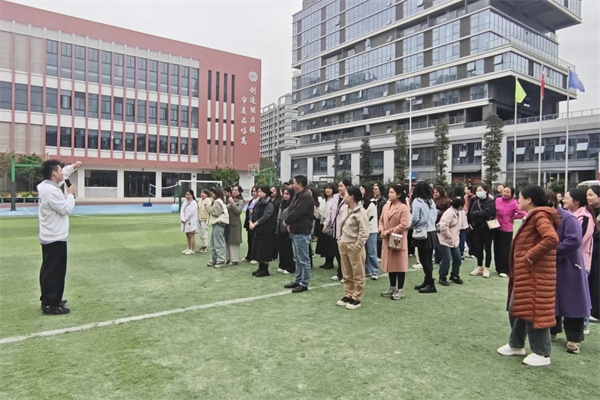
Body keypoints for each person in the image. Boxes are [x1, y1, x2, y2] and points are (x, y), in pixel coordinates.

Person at [497, 185, 560, 367]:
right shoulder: (533, 216)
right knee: (519, 307)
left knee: (535, 312)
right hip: (527, 274)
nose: (518, 200)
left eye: (520, 197)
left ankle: (542, 353)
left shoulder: (540, 216)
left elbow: (551, 238)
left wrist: (529, 257)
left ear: (529, 200)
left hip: (536, 274)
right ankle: (516, 344)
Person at [546, 190, 591, 354]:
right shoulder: (544, 218)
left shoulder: (568, 218)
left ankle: (574, 339)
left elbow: (573, 240)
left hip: (569, 266)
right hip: (550, 267)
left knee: (573, 303)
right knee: (551, 301)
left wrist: (550, 251)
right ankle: (552, 331)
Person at [37, 159, 81, 315]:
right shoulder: (51, 191)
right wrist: (70, 195)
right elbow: (65, 209)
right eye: (60, 170)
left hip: (51, 235)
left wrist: (73, 167)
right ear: (54, 173)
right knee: (55, 271)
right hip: (54, 236)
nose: (63, 172)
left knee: (50, 269)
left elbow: (64, 175)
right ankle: (50, 304)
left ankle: (51, 298)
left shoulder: (47, 186)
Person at [336, 186, 370, 310]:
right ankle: (348, 294)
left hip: (354, 245)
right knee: (346, 272)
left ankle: (357, 297)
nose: (343, 197)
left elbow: (364, 231)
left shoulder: (361, 212)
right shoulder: (344, 209)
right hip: (344, 244)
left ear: (352, 197)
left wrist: (358, 245)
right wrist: (339, 239)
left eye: (345, 195)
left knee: (358, 273)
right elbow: (340, 226)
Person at [283, 175, 314, 293]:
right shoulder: (298, 195)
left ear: (299, 184)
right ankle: (298, 280)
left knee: (303, 259)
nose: (293, 185)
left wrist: (287, 221)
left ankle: (304, 283)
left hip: (302, 230)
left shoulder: (306, 197)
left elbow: (298, 212)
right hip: (295, 230)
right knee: (297, 258)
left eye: (294, 183)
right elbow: (291, 209)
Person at [379, 185, 411, 300]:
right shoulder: (386, 206)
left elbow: (404, 224)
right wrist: (381, 230)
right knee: (390, 264)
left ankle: (400, 289)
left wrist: (389, 231)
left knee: (399, 265)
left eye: (392, 192)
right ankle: (392, 287)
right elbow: (381, 220)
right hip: (387, 239)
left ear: (398, 195)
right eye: (389, 192)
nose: (389, 194)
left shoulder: (403, 208)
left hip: (398, 239)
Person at [411, 182, 439, 293]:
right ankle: (427, 281)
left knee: (424, 259)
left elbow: (415, 218)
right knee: (428, 259)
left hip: (422, 232)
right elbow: (435, 216)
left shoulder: (417, 201)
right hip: (432, 231)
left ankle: (430, 284)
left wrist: (411, 225)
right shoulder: (431, 201)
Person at [323, 180, 352, 281]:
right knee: (338, 254)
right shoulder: (335, 198)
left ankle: (346, 275)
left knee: (344, 255)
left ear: (347, 187)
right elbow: (331, 213)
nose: (339, 188)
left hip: (345, 231)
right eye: (339, 186)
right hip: (335, 230)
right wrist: (326, 224)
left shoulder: (350, 199)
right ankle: (340, 273)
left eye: (341, 186)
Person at [494, 186, 526, 277]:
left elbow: (522, 213)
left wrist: (512, 217)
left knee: (505, 250)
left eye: (508, 192)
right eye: (504, 191)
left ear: (511, 194)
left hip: (507, 228)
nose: (505, 193)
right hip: (496, 227)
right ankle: (498, 268)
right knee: (497, 248)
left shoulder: (514, 203)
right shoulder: (497, 200)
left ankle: (505, 269)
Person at [468, 185, 496, 278]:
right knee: (478, 248)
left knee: (488, 248)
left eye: (480, 190)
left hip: (488, 228)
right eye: (477, 190)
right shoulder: (476, 202)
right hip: (477, 228)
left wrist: (477, 213)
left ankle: (487, 268)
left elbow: (488, 213)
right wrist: (479, 214)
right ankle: (479, 267)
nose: (478, 192)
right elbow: (471, 213)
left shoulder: (490, 202)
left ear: (486, 191)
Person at [437, 196, 465, 286]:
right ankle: (442, 277)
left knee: (457, 258)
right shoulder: (449, 213)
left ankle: (454, 275)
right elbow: (443, 226)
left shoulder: (458, 212)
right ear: (460, 206)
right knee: (447, 259)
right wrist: (449, 236)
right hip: (444, 240)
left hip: (454, 240)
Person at [249, 186, 277, 277]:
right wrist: (250, 221)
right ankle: (260, 267)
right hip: (258, 230)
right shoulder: (258, 202)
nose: (258, 193)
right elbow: (252, 212)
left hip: (266, 230)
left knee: (265, 250)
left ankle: (265, 269)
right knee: (259, 250)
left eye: (260, 191)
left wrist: (255, 224)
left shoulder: (269, 204)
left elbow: (266, 216)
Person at [586, 185, 600, 322]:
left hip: (598, 249)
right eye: (587, 195)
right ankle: (590, 309)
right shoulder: (588, 211)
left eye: (591, 195)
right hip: (591, 250)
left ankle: (596, 312)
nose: (588, 198)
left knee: (597, 280)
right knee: (591, 279)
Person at [316, 183, 338, 269]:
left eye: (330, 188)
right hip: (323, 223)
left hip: (330, 224)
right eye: (326, 188)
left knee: (330, 244)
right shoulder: (323, 200)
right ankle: (326, 261)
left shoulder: (334, 200)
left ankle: (330, 262)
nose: (328, 190)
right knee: (324, 244)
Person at [206, 187, 229, 268]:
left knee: (218, 243)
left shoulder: (218, 202)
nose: (212, 194)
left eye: (213, 193)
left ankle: (221, 261)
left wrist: (208, 207)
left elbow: (216, 213)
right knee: (213, 243)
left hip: (219, 223)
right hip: (216, 224)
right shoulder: (217, 201)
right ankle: (214, 259)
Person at [360, 184, 379, 280]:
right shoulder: (361, 202)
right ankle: (367, 270)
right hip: (363, 230)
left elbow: (369, 218)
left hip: (371, 230)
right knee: (365, 251)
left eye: (362, 189)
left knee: (372, 251)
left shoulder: (372, 203)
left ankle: (375, 271)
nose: (360, 191)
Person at [277, 188, 296, 275]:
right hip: (281, 229)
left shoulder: (293, 205)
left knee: (289, 249)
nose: (285, 196)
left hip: (289, 229)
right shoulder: (282, 204)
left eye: (287, 194)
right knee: (282, 248)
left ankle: (290, 267)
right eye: (284, 193)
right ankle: (282, 265)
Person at [226, 185, 245, 265]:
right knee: (228, 240)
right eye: (233, 190)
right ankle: (228, 258)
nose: (234, 191)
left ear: (239, 192)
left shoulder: (241, 201)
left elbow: (238, 211)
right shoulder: (230, 199)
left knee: (234, 241)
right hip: (228, 222)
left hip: (235, 223)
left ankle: (234, 259)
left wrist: (232, 203)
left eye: (236, 190)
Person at [433, 186, 451, 264]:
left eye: (437, 192)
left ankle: (443, 257)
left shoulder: (447, 201)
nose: (435, 194)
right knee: (436, 241)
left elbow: (449, 212)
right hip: (435, 222)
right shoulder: (433, 201)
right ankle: (437, 257)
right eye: (434, 192)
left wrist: (439, 212)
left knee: (442, 241)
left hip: (442, 223)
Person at [180, 190, 198, 255]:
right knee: (187, 235)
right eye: (186, 194)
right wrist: (182, 218)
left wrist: (185, 219)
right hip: (185, 221)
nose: (187, 196)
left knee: (191, 235)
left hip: (191, 221)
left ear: (192, 195)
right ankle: (188, 248)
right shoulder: (185, 202)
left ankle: (192, 249)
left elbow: (191, 212)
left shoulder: (194, 203)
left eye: (189, 194)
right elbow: (182, 210)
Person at [243, 186, 258, 264]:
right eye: (252, 191)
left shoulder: (259, 201)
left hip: (255, 224)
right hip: (249, 223)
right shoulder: (252, 201)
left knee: (255, 241)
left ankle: (255, 257)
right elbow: (248, 212)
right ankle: (249, 255)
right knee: (250, 240)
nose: (253, 193)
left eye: (255, 191)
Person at [373, 182, 387, 258]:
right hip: (374, 223)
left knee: (379, 241)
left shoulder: (383, 201)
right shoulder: (373, 200)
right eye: (374, 189)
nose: (374, 191)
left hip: (380, 223)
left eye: (376, 189)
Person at [270, 186, 283, 260]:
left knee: (275, 239)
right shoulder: (268, 200)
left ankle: (275, 254)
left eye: (274, 191)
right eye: (271, 190)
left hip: (276, 222)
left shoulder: (279, 202)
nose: (272, 192)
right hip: (269, 222)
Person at [464, 186, 476, 259]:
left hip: (473, 218)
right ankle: (470, 251)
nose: (465, 190)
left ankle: (474, 252)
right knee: (468, 235)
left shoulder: (474, 198)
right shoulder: (465, 197)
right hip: (466, 217)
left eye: (466, 189)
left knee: (474, 236)